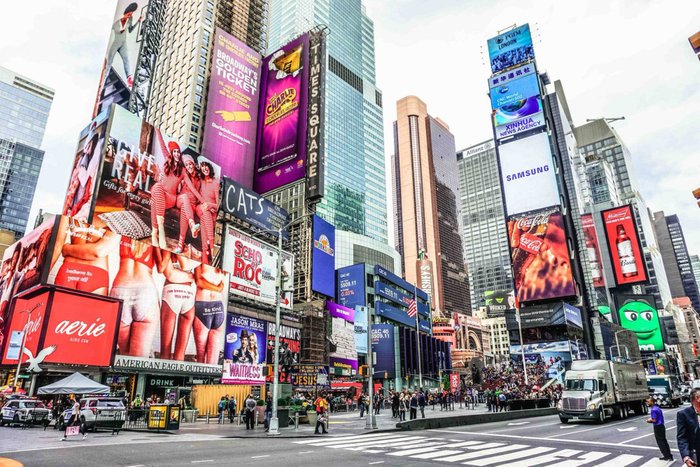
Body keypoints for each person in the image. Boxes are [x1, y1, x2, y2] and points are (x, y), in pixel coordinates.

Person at [112, 236, 160, 357]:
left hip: (120, 288)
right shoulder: (156, 235)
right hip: (145, 289)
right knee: (137, 362)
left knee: (124, 356)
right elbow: (162, 267)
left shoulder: (123, 229)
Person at [157, 250, 197, 360]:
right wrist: (189, 276)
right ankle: (177, 377)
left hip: (172, 292)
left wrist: (179, 274)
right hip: (188, 293)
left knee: (165, 350)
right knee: (180, 354)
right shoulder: (193, 249)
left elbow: (170, 274)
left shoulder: (167, 247)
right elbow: (193, 277)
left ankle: (162, 376)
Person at [150, 141, 184, 249]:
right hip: (160, 194)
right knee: (156, 187)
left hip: (170, 198)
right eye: (174, 151)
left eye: (178, 152)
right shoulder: (167, 160)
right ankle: (157, 233)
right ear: (171, 153)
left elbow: (191, 187)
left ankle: (155, 234)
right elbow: (162, 146)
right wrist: (157, 129)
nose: (177, 154)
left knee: (156, 194)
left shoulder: (182, 170)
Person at [104, 2, 143, 88]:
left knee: (126, 60)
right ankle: (104, 80)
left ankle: (129, 79)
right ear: (125, 13)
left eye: (131, 14)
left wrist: (138, 22)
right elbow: (119, 31)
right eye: (129, 14)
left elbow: (130, 30)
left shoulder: (130, 19)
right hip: (115, 43)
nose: (130, 15)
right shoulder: (117, 23)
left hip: (123, 43)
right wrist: (124, 24)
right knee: (109, 63)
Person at [193, 264, 226, 364]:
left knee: (207, 358)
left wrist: (217, 288)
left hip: (210, 306)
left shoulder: (221, 262)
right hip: (213, 306)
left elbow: (200, 281)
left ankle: (204, 379)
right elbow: (199, 282)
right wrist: (217, 288)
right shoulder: (200, 259)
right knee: (202, 357)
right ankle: (201, 379)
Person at [174, 151, 202, 255]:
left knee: (185, 211)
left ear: (193, 164)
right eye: (187, 165)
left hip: (191, 205)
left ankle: (180, 245)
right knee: (185, 198)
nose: (189, 166)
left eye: (190, 164)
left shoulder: (199, 178)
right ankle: (192, 225)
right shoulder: (184, 175)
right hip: (180, 199)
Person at [195, 161, 219, 264]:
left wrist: (210, 205)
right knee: (204, 210)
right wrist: (207, 205)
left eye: (206, 167)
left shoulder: (215, 183)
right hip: (201, 208)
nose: (205, 169)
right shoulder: (201, 181)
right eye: (203, 167)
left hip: (211, 213)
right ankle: (212, 248)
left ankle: (204, 257)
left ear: (209, 168)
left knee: (205, 214)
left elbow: (218, 205)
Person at [677, 387, 700, 466]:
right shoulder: (684, 414)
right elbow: (682, 437)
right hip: (696, 455)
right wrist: (686, 456)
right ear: (697, 398)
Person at [646, 397, 673, 461]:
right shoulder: (657, 408)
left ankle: (666, 456)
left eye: (648, 402)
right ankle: (669, 455)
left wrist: (648, 420)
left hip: (658, 427)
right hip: (661, 426)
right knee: (664, 441)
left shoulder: (653, 410)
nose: (647, 403)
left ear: (652, 402)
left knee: (660, 442)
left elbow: (654, 420)